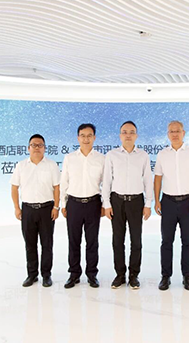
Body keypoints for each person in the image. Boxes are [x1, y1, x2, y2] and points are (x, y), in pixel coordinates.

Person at [154, 120, 189, 291]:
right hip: (167, 202)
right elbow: (158, 178)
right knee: (166, 241)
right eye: (171, 131)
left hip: (188, 202)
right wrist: (157, 200)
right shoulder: (162, 154)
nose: (174, 134)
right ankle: (165, 276)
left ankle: (187, 276)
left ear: (184, 133)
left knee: (188, 241)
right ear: (168, 134)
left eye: (177, 131)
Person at [102, 121, 153, 289]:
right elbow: (107, 180)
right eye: (124, 132)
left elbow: (148, 180)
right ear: (120, 135)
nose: (128, 135)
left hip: (136, 201)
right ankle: (119, 274)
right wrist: (107, 204)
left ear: (136, 135)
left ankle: (133, 275)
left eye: (131, 132)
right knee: (118, 240)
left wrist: (148, 203)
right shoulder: (112, 155)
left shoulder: (143, 156)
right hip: (116, 201)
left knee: (136, 241)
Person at [10, 134, 61, 288]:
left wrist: (56, 207)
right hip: (28, 210)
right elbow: (14, 187)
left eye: (40, 145)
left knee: (47, 244)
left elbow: (57, 187)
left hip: (47, 209)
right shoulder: (21, 166)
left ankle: (46, 275)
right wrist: (17, 208)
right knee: (30, 244)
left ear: (45, 148)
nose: (37, 148)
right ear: (28, 148)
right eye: (34, 145)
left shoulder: (52, 165)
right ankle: (32, 275)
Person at [60, 123, 105, 289]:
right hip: (74, 204)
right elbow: (64, 182)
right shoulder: (69, 158)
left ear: (94, 137)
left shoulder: (101, 159)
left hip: (93, 203)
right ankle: (74, 274)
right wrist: (63, 204)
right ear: (78, 138)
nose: (86, 139)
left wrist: (104, 204)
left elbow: (106, 184)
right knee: (74, 241)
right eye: (83, 135)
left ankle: (92, 274)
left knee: (92, 241)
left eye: (89, 135)